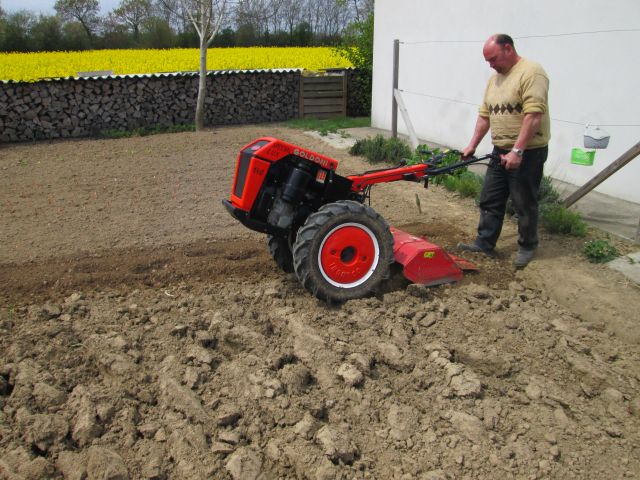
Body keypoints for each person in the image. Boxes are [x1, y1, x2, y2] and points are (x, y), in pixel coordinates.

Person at [458, 33, 550, 268]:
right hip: (500, 150)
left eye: (493, 59)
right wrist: (472, 144)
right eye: (488, 61)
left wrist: (517, 151)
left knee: (523, 202)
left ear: (508, 48)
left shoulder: (532, 72)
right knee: (490, 198)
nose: (491, 65)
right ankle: (484, 242)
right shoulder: (494, 79)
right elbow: (485, 115)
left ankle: (527, 246)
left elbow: (533, 115)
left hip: (528, 152)